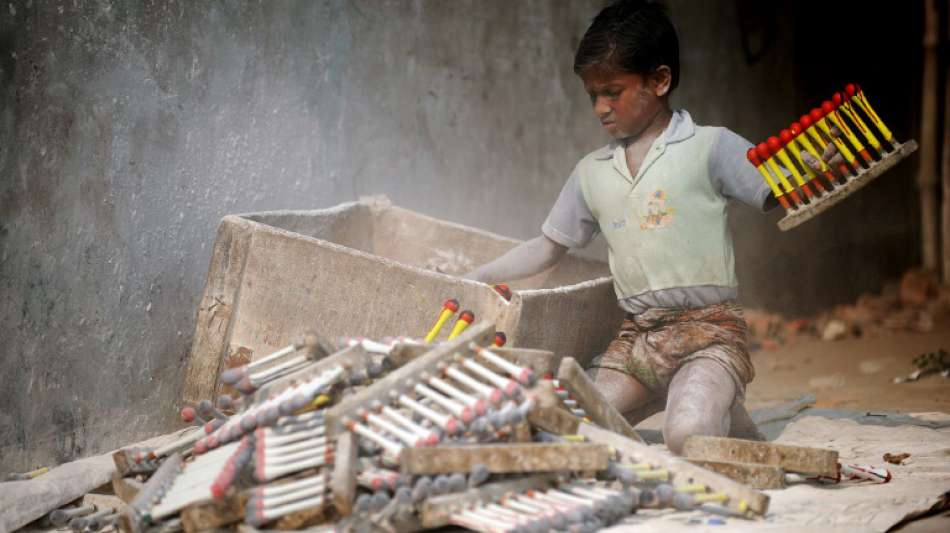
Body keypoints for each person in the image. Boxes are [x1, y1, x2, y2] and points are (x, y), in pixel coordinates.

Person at [465, 0, 839, 453]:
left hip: (710, 333)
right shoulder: (591, 173)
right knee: (565, 424)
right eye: (592, 95)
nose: (600, 108)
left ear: (659, 80)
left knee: (686, 435)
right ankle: (683, 395)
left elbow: (776, 186)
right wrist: (478, 276)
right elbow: (546, 248)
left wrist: (813, 164)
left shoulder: (710, 146)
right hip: (638, 340)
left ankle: (714, 399)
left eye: (612, 91)